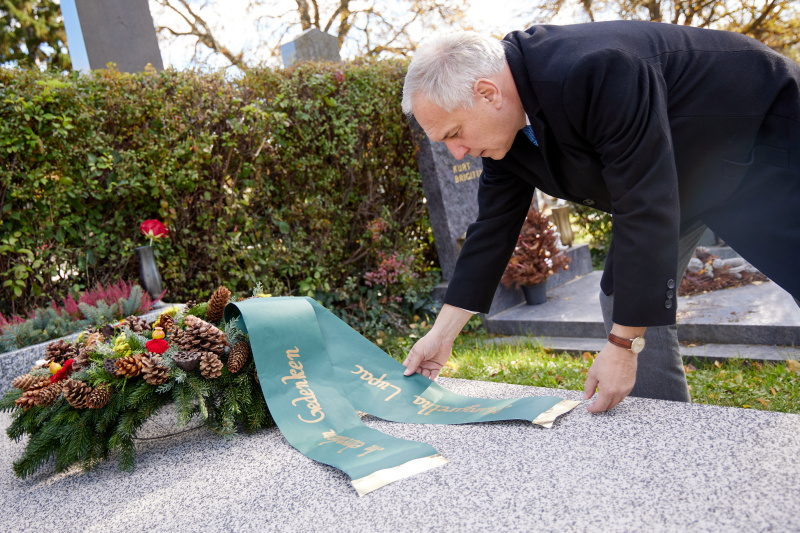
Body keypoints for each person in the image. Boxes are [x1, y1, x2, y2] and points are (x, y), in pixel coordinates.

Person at [400, 20, 800, 413]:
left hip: (763, 137)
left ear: (488, 93)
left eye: (454, 133)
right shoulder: (504, 135)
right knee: (625, 294)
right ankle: (663, 426)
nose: (457, 152)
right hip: (684, 177)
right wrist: (442, 334)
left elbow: (643, 201)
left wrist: (622, 346)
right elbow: (492, 227)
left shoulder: (596, 69)